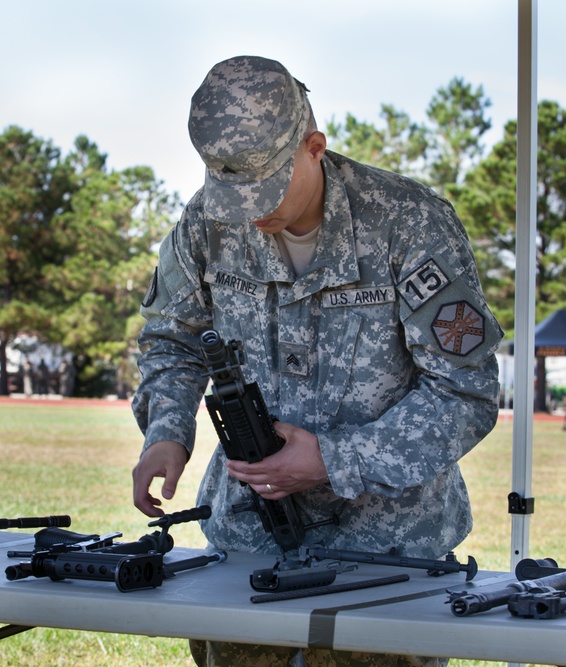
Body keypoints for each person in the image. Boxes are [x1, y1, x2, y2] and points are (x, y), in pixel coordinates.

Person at [130, 56, 504, 667]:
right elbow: (173, 339)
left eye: (266, 188)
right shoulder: (205, 223)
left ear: (314, 147)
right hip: (250, 544)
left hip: (387, 553)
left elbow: (466, 392)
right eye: (232, 193)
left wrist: (334, 460)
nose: (251, 213)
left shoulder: (408, 222)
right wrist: (166, 433)